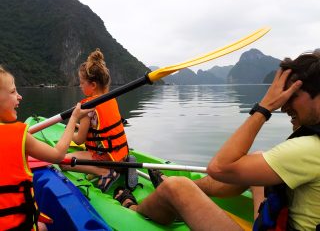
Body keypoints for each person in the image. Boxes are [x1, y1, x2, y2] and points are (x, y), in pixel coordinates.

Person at [113, 50, 320, 230]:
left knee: (176, 188)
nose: (283, 107)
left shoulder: (309, 149)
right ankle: (188, 190)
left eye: (292, 95)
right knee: (256, 162)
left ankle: (133, 207)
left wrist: (264, 107)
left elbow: (219, 167)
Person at [0, 66, 93, 230]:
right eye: (13, 91)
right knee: (42, 227)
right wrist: (74, 119)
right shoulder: (19, 135)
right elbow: (58, 155)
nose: (20, 96)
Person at [60, 48, 130, 192]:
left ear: (93, 85)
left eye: (81, 82)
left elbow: (79, 140)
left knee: (62, 162)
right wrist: (81, 127)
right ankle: (116, 166)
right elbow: (98, 127)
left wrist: (68, 133)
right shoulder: (111, 99)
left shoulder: (88, 107)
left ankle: (105, 172)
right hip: (121, 154)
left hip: (106, 158)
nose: (80, 86)